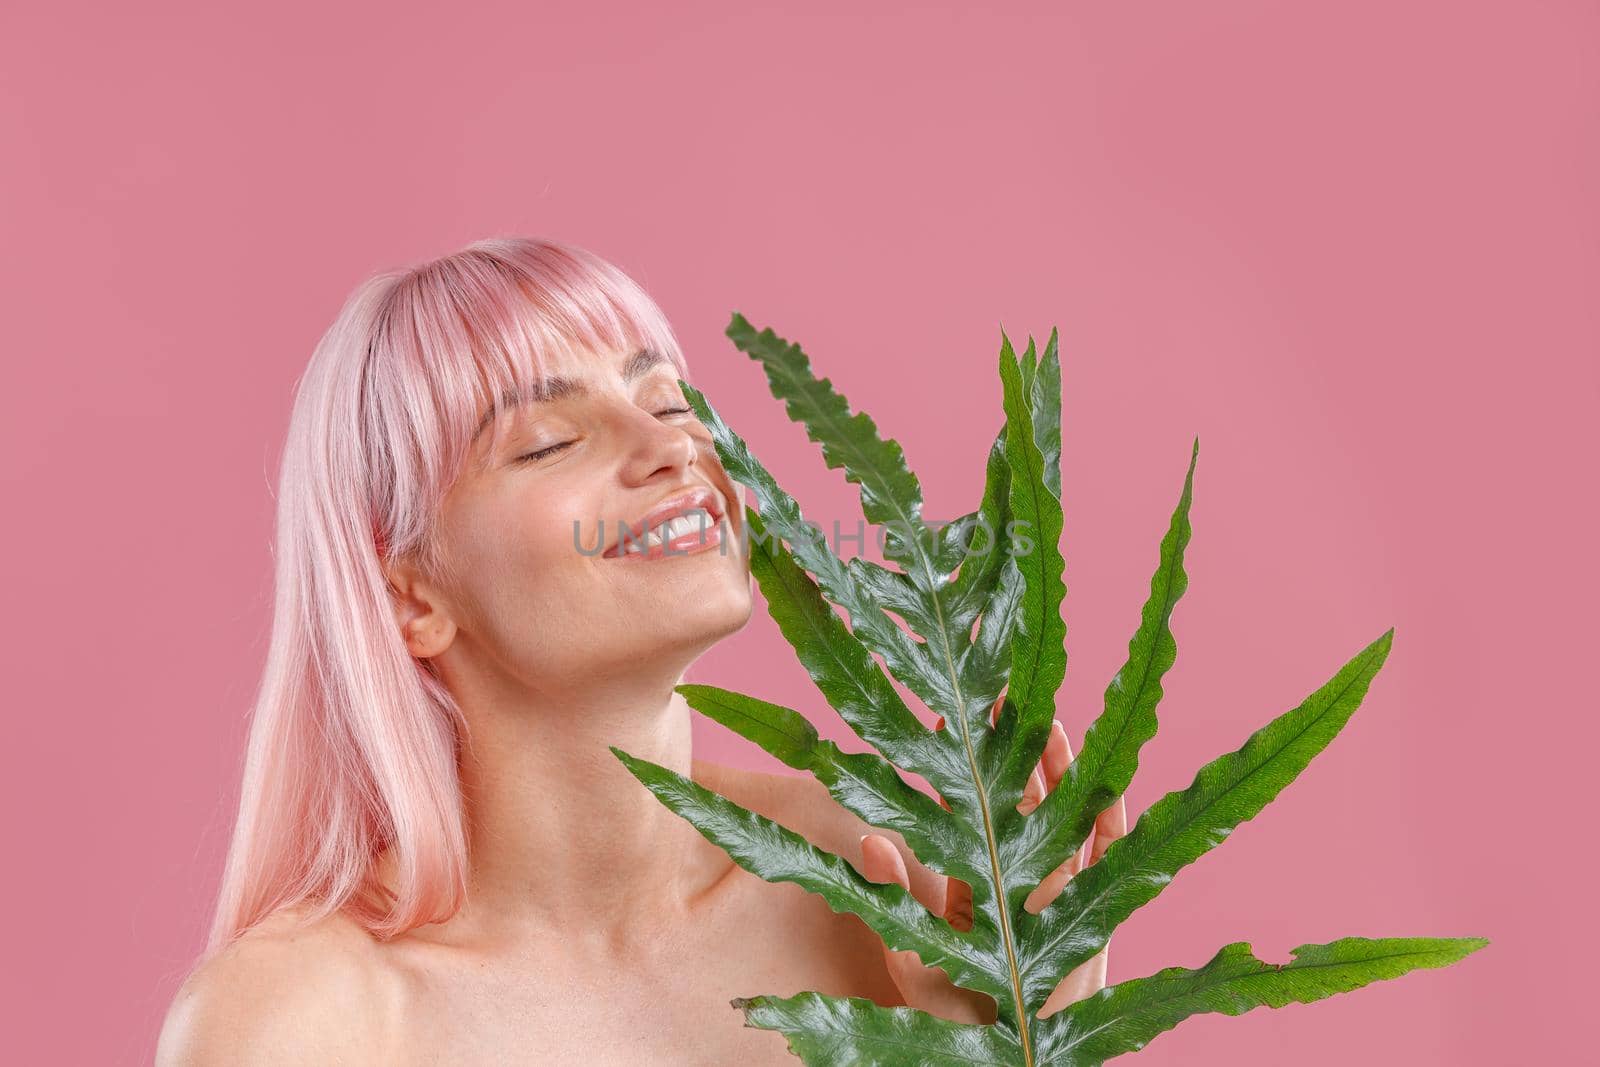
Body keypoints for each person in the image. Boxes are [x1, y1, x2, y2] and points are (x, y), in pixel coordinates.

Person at [155, 236, 1128, 1064]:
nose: (671, 449)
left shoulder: (887, 881)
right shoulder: (301, 1023)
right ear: (410, 591)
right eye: (547, 441)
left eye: (666, 403)